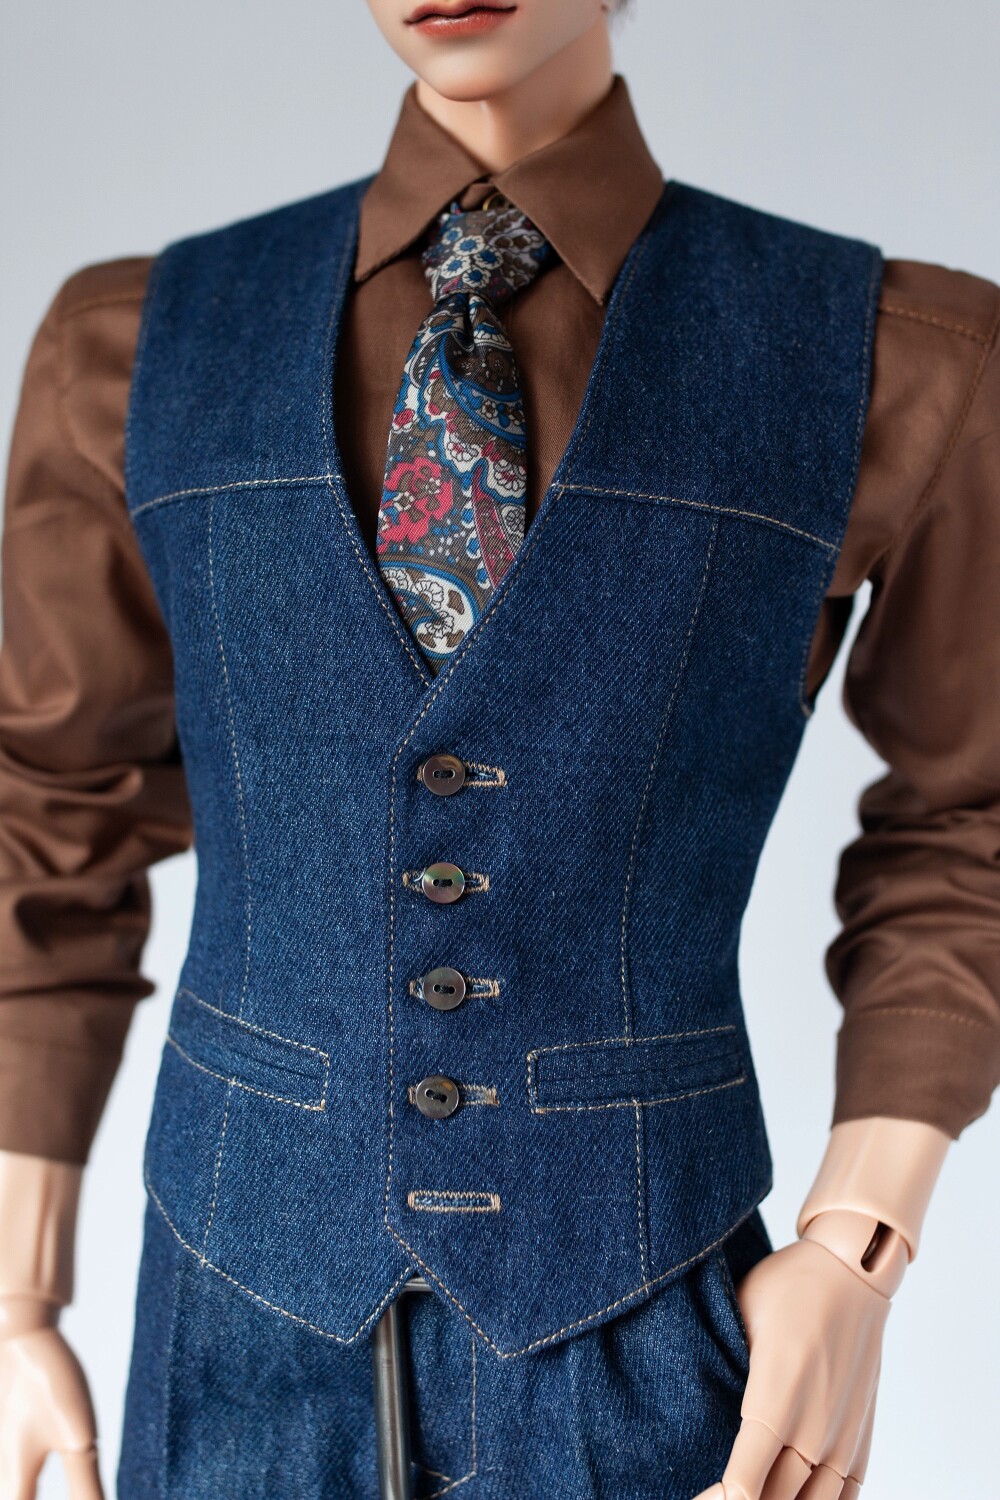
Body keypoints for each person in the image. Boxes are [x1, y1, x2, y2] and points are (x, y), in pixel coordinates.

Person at [0, 2, 998, 1496]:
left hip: (641, 1319)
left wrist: (859, 1241)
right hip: (233, 1318)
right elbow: (48, 810)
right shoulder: (135, 344)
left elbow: (973, 812)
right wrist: (16, 1289)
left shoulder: (890, 354)